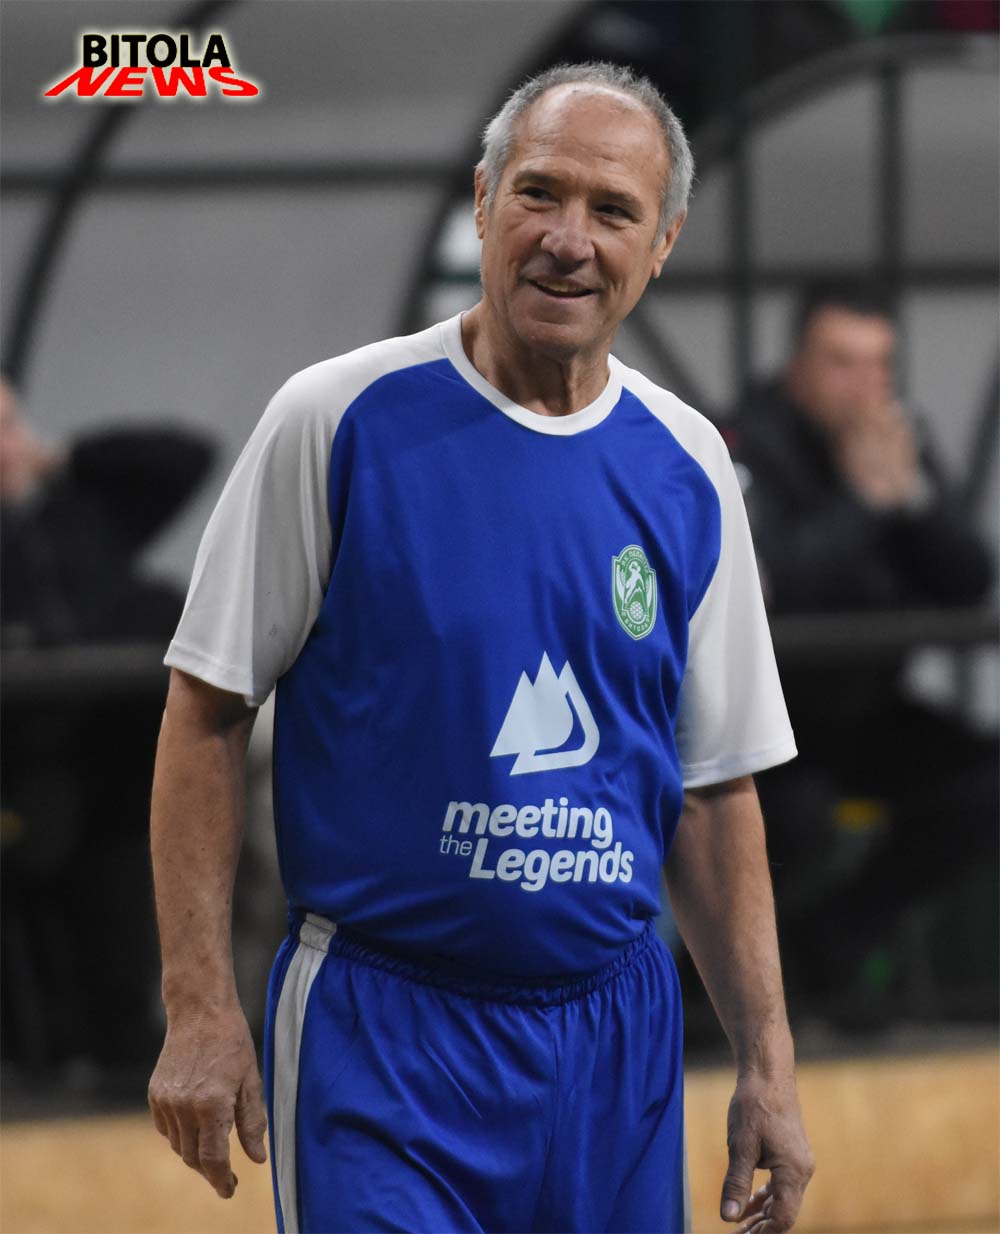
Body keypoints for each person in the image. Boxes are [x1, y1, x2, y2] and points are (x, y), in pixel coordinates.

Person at [148, 62, 814, 1234]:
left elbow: (712, 789)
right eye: (538, 193)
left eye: (612, 211)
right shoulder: (336, 418)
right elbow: (205, 712)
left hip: (617, 1042)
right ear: (481, 201)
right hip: (383, 1038)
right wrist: (198, 1005)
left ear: (661, 244)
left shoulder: (688, 463)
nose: (568, 239)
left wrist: (767, 1060)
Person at [729, 282, 996, 1011]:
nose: (865, 385)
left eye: (880, 365)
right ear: (799, 364)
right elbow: (773, 582)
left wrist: (913, 503)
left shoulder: (894, 439)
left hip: (870, 710)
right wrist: (864, 505)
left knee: (984, 786)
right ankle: (711, 982)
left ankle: (830, 945)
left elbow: (967, 582)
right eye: (842, 362)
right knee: (790, 821)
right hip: (772, 722)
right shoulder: (744, 441)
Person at [0, 376, 214, 1074]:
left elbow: (186, 457)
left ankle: (129, 1049)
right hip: (28, 766)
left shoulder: (79, 511)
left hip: (124, 758)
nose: (4, 446)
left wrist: (62, 456)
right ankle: (49, 1054)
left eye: (8, 426)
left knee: (133, 880)